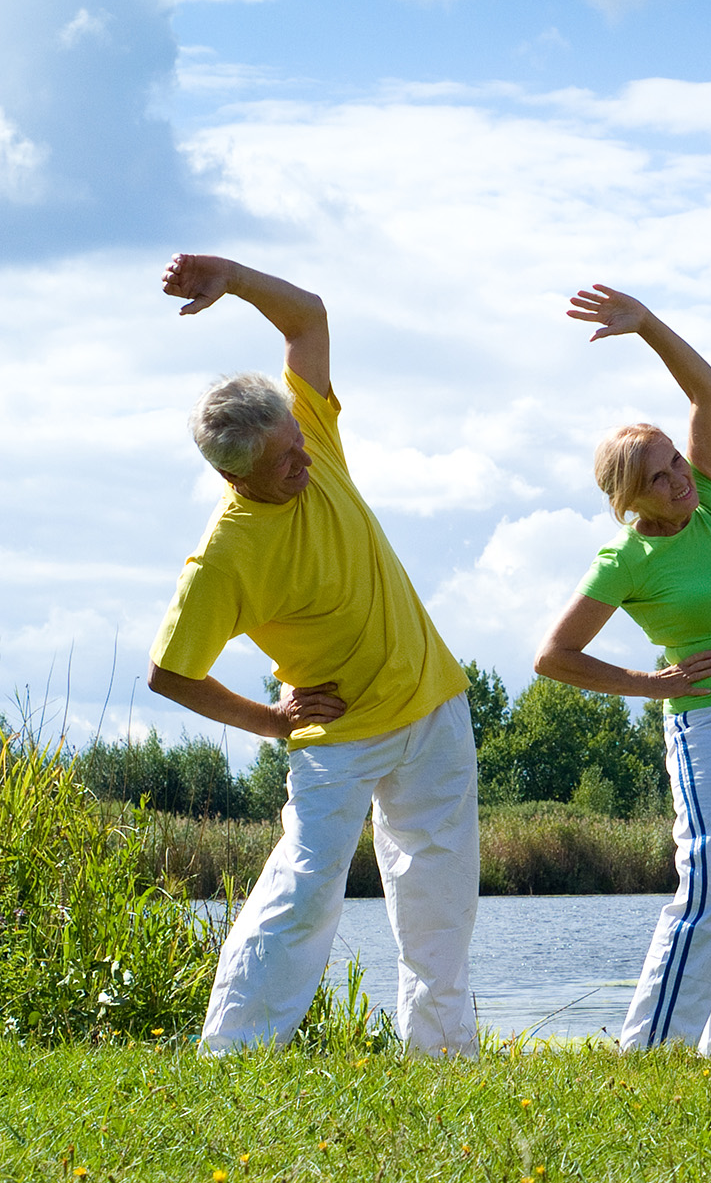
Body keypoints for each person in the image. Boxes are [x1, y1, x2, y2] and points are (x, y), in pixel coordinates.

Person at [146, 256, 476, 1056]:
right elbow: (170, 673)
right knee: (302, 894)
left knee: (438, 905)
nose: (304, 463)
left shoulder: (309, 434)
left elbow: (309, 319)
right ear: (238, 476)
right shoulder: (225, 559)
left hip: (432, 703)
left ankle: (442, 1060)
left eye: (299, 443)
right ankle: (234, 1054)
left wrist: (230, 277)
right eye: (284, 463)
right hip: (336, 739)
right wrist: (268, 718)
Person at [533, 285, 711, 1056]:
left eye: (676, 461)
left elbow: (707, 390)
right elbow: (552, 656)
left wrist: (648, 324)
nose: (679, 478)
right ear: (630, 496)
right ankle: (650, 1053)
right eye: (659, 476)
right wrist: (647, 685)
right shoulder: (627, 557)